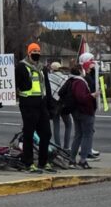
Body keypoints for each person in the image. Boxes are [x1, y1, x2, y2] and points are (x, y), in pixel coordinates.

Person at [15, 42, 54, 173]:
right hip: (28, 105)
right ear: (29, 53)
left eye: (38, 53)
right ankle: (29, 163)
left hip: (41, 104)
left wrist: (50, 106)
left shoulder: (42, 68)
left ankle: (43, 162)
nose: (36, 55)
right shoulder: (21, 67)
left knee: (46, 134)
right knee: (29, 134)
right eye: (34, 53)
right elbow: (14, 84)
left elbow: (46, 87)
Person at [66, 64, 96, 168]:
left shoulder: (71, 80)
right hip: (85, 111)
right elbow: (81, 97)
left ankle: (72, 160)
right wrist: (92, 95)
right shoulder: (80, 82)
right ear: (79, 71)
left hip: (76, 111)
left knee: (78, 135)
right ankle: (83, 160)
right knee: (87, 135)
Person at [45, 61, 71, 148]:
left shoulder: (48, 77)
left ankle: (57, 147)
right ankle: (66, 147)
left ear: (52, 69)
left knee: (56, 125)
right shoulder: (65, 78)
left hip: (54, 105)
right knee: (69, 124)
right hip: (63, 104)